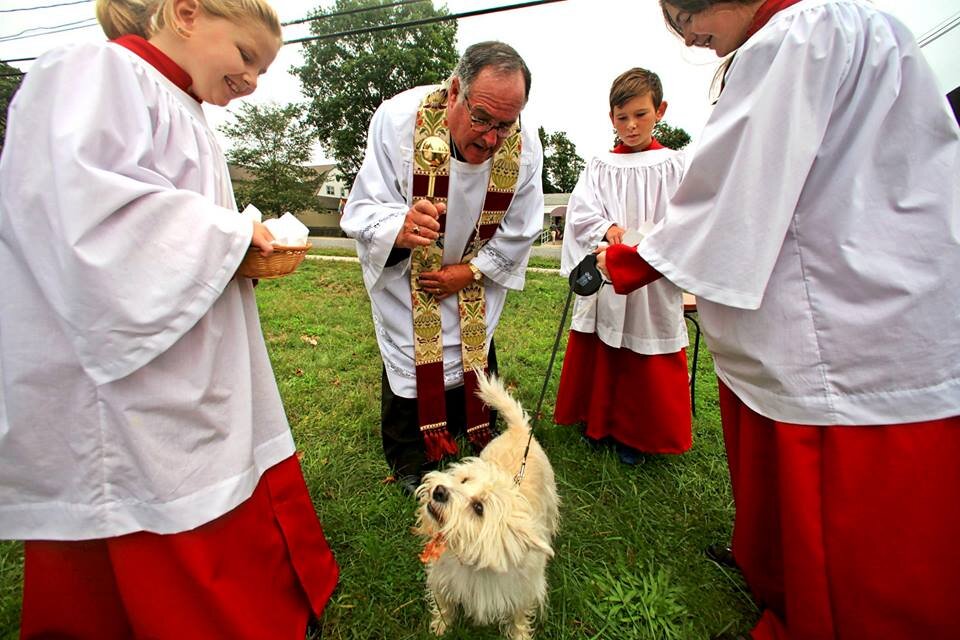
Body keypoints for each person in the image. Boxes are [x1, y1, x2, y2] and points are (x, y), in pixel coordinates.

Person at [596, 1, 960, 638]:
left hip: (839, 323)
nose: (691, 38)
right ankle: (774, 581)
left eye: (686, 18)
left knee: (844, 529)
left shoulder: (798, 35)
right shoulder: (871, 28)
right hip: (876, 295)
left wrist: (632, 258)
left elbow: (733, 186)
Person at [0, 0, 339, 636]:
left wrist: (231, 250)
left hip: (185, 341)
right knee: (156, 486)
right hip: (120, 368)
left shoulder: (186, 108)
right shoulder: (93, 72)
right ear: (185, 13)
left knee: (217, 458)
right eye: (245, 56)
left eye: (263, 70)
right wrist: (229, 237)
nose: (252, 80)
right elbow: (81, 215)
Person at [341, 41, 545, 496]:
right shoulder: (397, 121)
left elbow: (522, 226)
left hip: (474, 281)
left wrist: (470, 272)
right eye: (481, 119)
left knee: (473, 352)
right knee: (412, 358)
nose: (491, 139)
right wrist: (400, 226)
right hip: (411, 279)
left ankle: (474, 432)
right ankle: (411, 453)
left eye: (504, 125)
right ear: (455, 92)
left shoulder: (525, 148)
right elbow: (367, 204)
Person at [554, 67, 691, 465]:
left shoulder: (675, 165)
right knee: (603, 343)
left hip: (650, 276)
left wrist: (646, 248)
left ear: (660, 111)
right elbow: (581, 212)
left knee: (643, 349)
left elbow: (683, 219)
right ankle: (598, 423)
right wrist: (607, 227)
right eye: (621, 117)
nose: (631, 126)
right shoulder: (599, 165)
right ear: (610, 118)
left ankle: (638, 433)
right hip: (606, 270)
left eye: (640, 115)